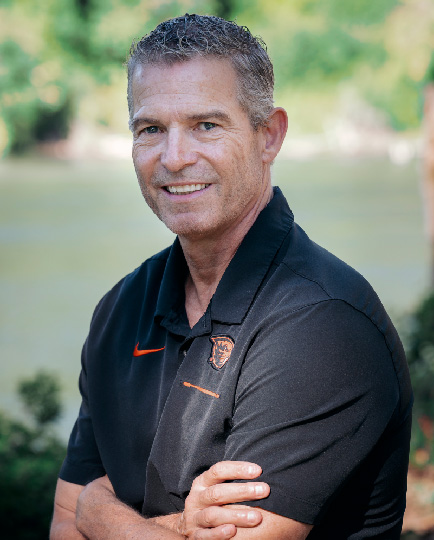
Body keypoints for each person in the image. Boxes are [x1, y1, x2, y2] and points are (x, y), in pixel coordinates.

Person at [50, 13, 413, 540]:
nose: (175, 158)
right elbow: (61, 524)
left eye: (206, 125)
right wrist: (166, 526)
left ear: (269, 136)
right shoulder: (120, 308)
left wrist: (98, 513)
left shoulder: (321, 324)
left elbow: (79, 513)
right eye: (151, 129)